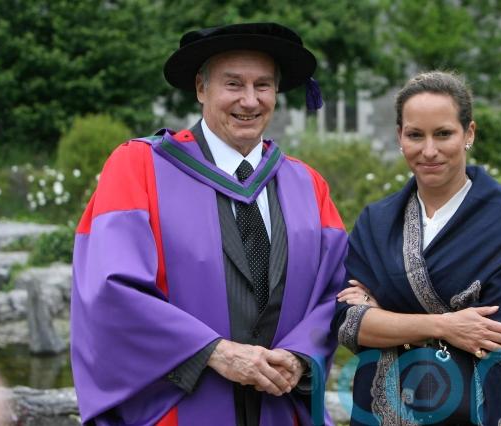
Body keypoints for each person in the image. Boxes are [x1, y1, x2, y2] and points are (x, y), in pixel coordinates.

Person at [70, 23, 347, 426]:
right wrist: (214, 351)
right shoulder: (138, 168)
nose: (249, 100)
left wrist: (300, 355)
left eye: (263, 85)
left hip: (278, 408)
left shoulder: (307, 185)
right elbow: (109, 289)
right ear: (201, 88)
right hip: (179, 407)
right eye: (233, 84)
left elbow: (335, 292)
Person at [333, 71, 501, 425]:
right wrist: (445, 325)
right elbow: (349, 323)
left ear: (468, 133)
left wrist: (385, 315)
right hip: (380, 409)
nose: (429, 151)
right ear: (400, 136)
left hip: (473, 407)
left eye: (443, 134)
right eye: (415, 135)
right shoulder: (376, 221)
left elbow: (489, 333)